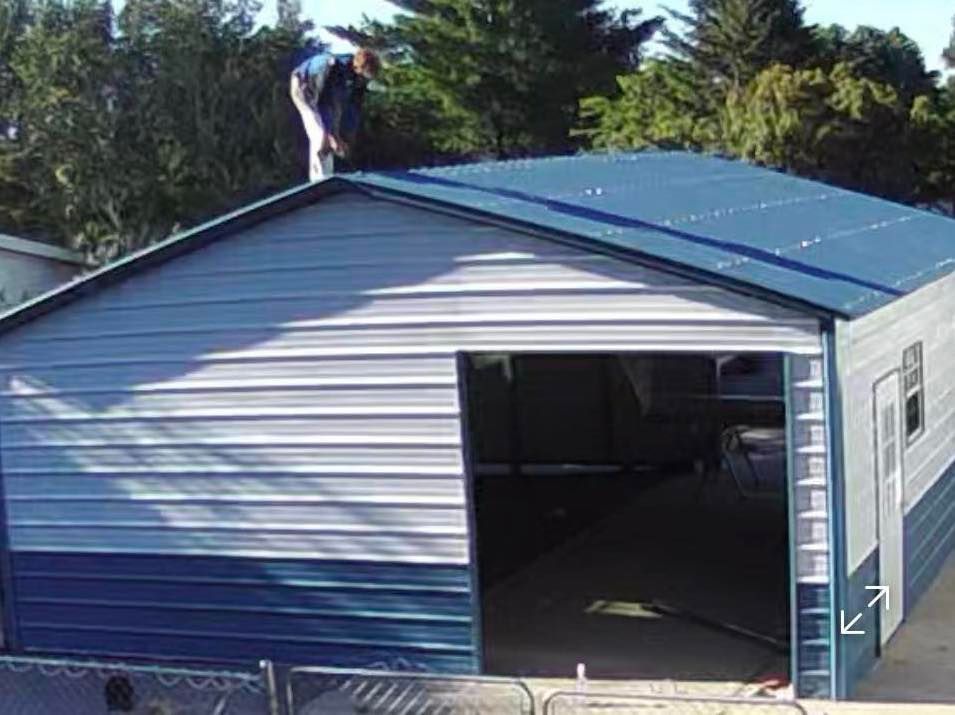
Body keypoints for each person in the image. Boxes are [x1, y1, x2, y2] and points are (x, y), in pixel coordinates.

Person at [289, 48, 381, 181]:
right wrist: (332, 136)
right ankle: (318, 180)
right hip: (304, 87)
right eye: (364, 76)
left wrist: (346, 138)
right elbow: (323, 103)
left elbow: (352, 109)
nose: (364, 81)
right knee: (320, 136)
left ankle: (327, 176)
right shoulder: (332, 67)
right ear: (357, 68)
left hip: (327, 95)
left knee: (332, 137)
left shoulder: (358, 79)